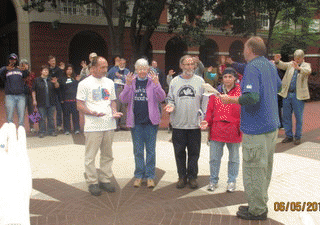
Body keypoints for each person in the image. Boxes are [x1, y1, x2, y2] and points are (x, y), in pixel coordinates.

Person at [220, 36, 281, 220]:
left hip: (256, 129)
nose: (243, 51)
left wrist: (231, 99)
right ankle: (259, 203)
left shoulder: (253, 67)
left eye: (245, 48)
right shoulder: (269, 65)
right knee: (264, 170)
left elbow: (252, 97)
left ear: (250, 50)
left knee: (254, 170)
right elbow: (277, 86)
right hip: (271, 127)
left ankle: (257, 211)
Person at [76, 56, 122, 196]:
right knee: (90, 156)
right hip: (93, 125)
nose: (105, 70)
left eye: (106, 67)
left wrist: (114, 111)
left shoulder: (109, 82)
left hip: (108, 123)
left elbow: (112, 101)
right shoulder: (84, 84)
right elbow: (79, 105)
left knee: (107, 154)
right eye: (102, 67)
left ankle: (105, 179)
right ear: (93, 68)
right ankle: (92, 182)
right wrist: (90, 112)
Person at [119, 58, 166, 188]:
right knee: (138, 151)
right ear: (135, 69)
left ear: (148, 69)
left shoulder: (153, 81)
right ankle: (139, 175)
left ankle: (150, 176)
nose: (141, 72)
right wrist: (127, 85)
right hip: (136, 122)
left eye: (144, 69)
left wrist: (157, 84)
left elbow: (162, 97)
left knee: (150, 150)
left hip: (151, 122)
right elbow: (123, 99)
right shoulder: (131, 81)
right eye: (139, 69)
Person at [165, 55, 206, 189]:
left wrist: (203, 118)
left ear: (195, 66)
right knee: (179, 152)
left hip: (194, 124)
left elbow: (204, 102)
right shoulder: (175, 81)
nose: (189, 67)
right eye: (186, 64)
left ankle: (193, 177)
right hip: (178, 124)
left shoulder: (200, 81)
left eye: (191, 64)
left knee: (194, 153)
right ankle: (182, 176)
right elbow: (170, 98)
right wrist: (170, 105)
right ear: (181, 66)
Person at [200, 67, 241, 193]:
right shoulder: (215, 93)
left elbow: (244, 110)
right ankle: (213, 180)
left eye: (230, 76)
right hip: (217, 129)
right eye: (225, 77)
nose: (227, 79)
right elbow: (210, 110)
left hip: (234, 129)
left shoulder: (240, 93)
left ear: (235, 78)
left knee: (234, 158)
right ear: (222, 79)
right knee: (214, 158)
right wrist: (207, 121)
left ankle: (232, 181)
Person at [274, 50, 312, 145]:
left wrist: (299, 68)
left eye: (298, 58)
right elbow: (282, 65)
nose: (296, 60)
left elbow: (308, 71)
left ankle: (298, 137)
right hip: (287, 94)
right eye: (295, 58)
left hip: (298, 96)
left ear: (303, 58)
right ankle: (289, 136)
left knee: (298, 117)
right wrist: (278, 61)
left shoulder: (306, 65)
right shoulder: (291, 64)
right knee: (286, 116)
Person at [0, 53, 30, 127]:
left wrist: (25, 69)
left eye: (14, 59)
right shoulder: (6, 70)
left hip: (22, 96)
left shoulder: (20, 69)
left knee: (22, 115)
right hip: (10, 96)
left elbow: (27, 74)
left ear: (17, 60)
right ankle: (11, 132)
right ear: (9, 60)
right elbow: (0, 72)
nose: (12, 61)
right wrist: (6, 68)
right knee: (9, 116)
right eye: (11, 59)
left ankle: (32, 128)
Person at [32, 65, 59, 138]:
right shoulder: (36, 80)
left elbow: (57, 87)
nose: (46, 71)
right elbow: (33, 90)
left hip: (51, 101)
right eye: (44, 70)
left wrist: (56, 82)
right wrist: (34, 100)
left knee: (51, 117)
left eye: (47, 70)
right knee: (42, 117)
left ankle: (51, 131)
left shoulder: (51, 79)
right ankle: (42, 132)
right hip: (41, 102)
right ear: (41, 71)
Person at [108, 58, 130, 130]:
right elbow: (109, 76)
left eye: (123, 63)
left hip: (124, 89)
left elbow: (129, 79)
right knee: (116, 106)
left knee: (123, 107)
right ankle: (115, 125)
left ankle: (123, 124)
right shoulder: (114, 70)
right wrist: (115, 66)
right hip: (116, 89)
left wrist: (121, 77)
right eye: (121, 63)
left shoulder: (127, 71)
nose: (122, 64)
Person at [59, 64, 81, 135]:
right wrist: (75, 82)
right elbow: (64, 87)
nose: (69, 71)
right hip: (66, 100)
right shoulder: (62, 79)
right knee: (66, 116)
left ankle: (77, 129)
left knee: (75, 116)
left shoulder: (75, 78)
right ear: (65, 70)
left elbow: (78, 87)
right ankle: (67, 129)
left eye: (70, 69)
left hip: (74, 100)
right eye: (68, 69)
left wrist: (76, 81)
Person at [48, 55, 64, 132]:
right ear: (49, 62)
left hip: (57, 93)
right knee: (45, 110)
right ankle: (43, 127)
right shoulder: (46, 69)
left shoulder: (59, 70)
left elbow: (61, 81)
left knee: (59, 110)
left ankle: (59, 125)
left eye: (54, 61)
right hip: (47, 93)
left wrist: (56, 82)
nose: (53, 62)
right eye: (51, 61)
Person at [21, 59, 36, 133]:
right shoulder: (19, 74)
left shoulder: (32, 74)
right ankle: (21, 127)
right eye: (23, 65)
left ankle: (32, 127)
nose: (25, 66)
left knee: (32, 111)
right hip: (21, 95)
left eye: (26, 64)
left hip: (30, 94)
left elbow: (34, 84)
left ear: (28, 65)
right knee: (21, 112)